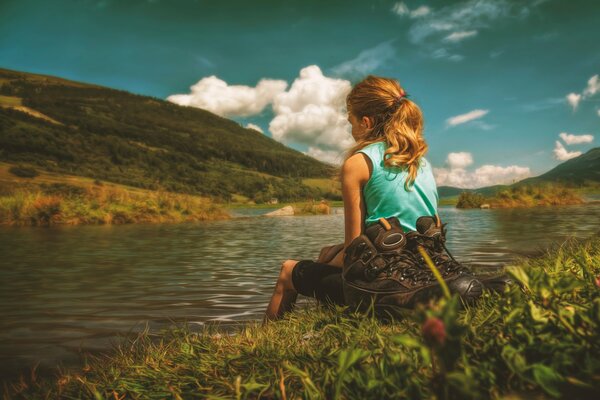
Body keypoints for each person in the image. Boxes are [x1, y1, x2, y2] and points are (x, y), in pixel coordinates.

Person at [264, 75, 439, 321]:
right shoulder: (421, 163)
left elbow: (354, 255)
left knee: (287, 271)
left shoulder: (358, 163)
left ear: (366, 122)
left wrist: (330, 257)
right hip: (426, 276)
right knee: (330, 253)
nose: (351, 130)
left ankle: (266, 343)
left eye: (351, 122)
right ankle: (334, 318)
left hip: (387, 287)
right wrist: (334, 252)